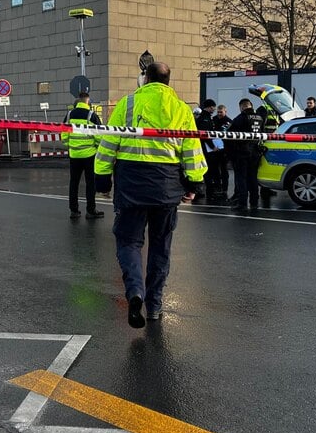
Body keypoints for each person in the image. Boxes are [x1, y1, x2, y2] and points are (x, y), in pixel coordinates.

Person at [94, 62, 206, 328]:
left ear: (145, 78)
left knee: (129, 243)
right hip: (166, 189)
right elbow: (191, 149)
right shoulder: (181, 109)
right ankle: (154, 305)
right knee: (160, 246)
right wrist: (194, 184)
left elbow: (110, 142)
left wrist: (101, 177)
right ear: (168, 81)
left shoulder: (127, 104)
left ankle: (135, 293)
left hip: (131, 184)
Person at [62, 92, 104, 219]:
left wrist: (70, 146)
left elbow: (64, 135)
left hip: (74, 155)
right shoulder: (92, 116)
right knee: (90, 183)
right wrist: (96, 147)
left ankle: (74, 211)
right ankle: (91, 211)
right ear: (88, 101)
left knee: (73, 182)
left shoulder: (69, 115)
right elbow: (99, 136)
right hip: (89, 155)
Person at [225, 98, 264, 212]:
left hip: (242, 152)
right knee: (253, 178)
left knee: (241, 179)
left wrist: (229, 153)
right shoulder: (260, 118)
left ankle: (242, 203)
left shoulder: (240, 118)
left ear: (242, 107)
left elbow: (229, 136)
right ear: (251, 106)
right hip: (255, 152)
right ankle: (254, 203)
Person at [195, 98, 222, 199]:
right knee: (208, 170)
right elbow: (205, 134)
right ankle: (208, 192)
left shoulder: (206, 117)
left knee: (208, 170)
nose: (214, 110)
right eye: (213, 108)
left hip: (206, 147)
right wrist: (213, 146)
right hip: (206, 148)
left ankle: (206, 191)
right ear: (210, 107)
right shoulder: (205, 118)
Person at [212, 104, 232, 198]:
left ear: (225, 112)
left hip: (224, 149)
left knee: (224, 170)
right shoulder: (214, 120)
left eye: (221, 112)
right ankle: (217, 187)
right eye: (218, 112)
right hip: (214, 149)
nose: (219, 114)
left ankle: (224, 189)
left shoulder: (229, 121)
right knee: (215, 169)